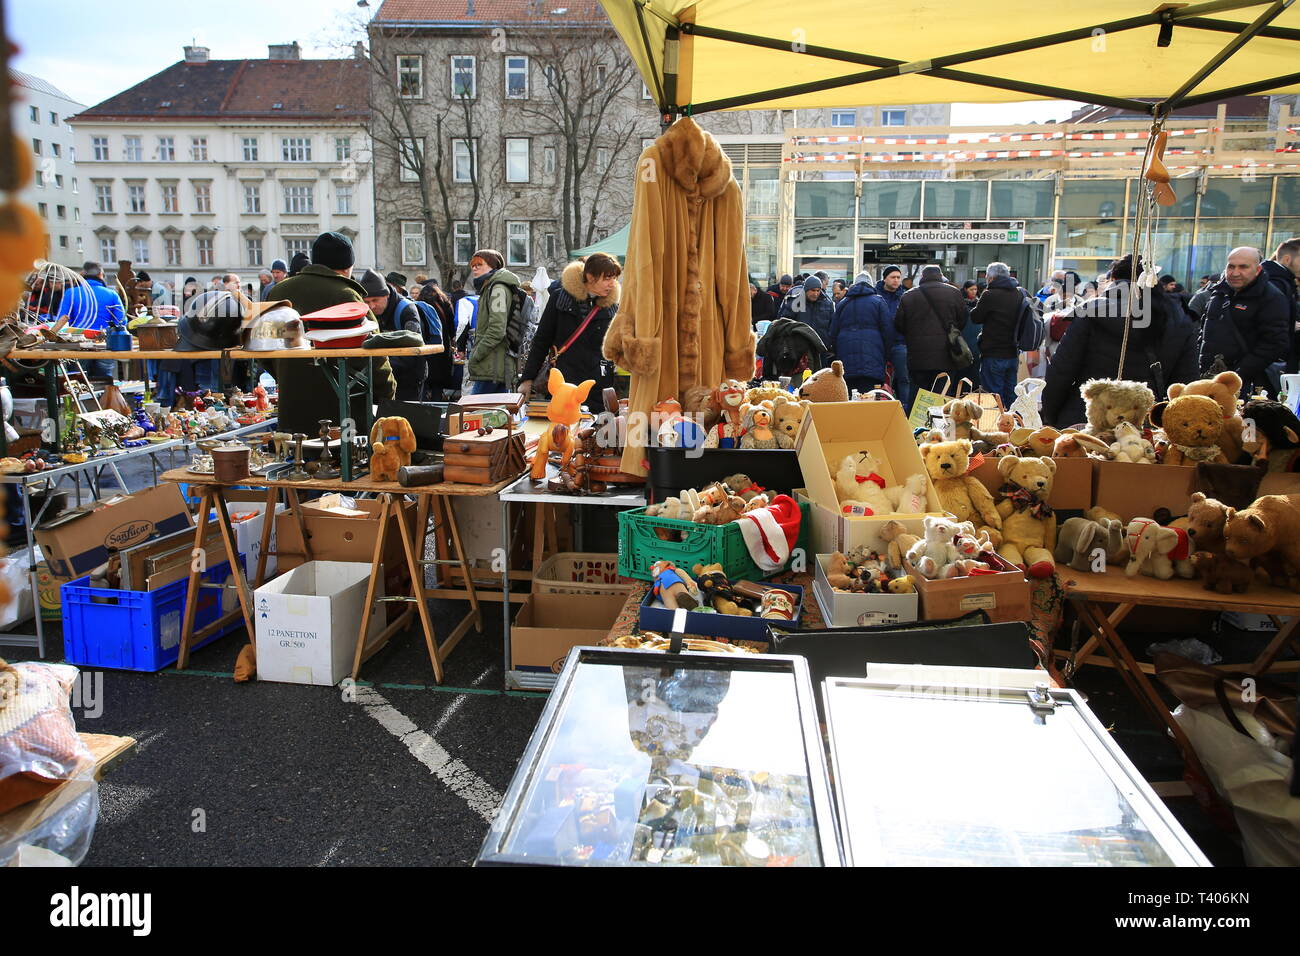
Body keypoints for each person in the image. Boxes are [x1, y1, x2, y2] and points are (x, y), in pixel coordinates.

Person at [1042, 254, 1198, 427]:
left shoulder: (1091, 311)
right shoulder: (1180, 318)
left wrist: (1051, 416)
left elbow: (1061, 371)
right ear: (1154, 280)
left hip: (1087, 418)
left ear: (1113, 279)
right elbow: (1187, 382)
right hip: (1145, 422)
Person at [266, 231, 396, 434]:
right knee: (342, 463)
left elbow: (263, 347)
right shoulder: (346, 295)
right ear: (347, 266)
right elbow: (374, 352)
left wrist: (287, 374)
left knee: (295, 460)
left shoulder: (277, 293)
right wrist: (387, 393)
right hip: (342, 416)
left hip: (292, 407)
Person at [519, 253, 621, 401]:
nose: (612, 284)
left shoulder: (611, 306)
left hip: (598, 385)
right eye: (607, 278)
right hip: (564, 382)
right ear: (590, 277)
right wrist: (527, 379)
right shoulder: (560, 299)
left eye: (614, 278)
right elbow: (542, 340)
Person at [1198, 246, 1292, 397]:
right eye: (1231, 266)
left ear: (1258, 269)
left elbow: (1275, 343)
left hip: (1246, 385)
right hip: (1209, 379)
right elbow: (1205, 331)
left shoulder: (1272, 297)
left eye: (1243, 267)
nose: (1235, 272)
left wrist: (1238, 374)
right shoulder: (1218, 293)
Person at [893, 264, 970, 405]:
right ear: (940, 276)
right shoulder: (954, 293)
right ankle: (940, 425)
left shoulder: (908, 296)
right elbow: (962, 320)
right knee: (943, 395)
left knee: (917, 396)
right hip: (946, 356)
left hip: (918, 358)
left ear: (922, 277)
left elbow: (899, 325)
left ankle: (916, 425)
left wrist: (913, 335)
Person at [970, 262, 1032, 409]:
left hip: (993, 353)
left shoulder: (990, 294)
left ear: (991, 278)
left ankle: (997, 427)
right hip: (1013, 353)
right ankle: (1013, 426)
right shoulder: (1020, 293)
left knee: (993, 396)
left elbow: (975, 317)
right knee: (1011, 393)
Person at [359, 268, 426, 401]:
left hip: (409, 378)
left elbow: (412, 347)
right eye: (366, 302)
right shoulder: (366, 311)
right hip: (382, 377)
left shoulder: (407, 310)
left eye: (375, 300)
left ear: (387, 295)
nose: (371, 306)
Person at [463, 249, 522, 395]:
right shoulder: (490, 287)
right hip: (494, 365)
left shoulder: (497, 288)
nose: (474, 268)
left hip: (492, 367)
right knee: (494, 413)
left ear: (492, 266)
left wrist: (476, 355)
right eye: (473, 265)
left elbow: (497, 329)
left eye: (479, 264)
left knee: (477, 412)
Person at [830, 270, 889, 395]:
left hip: (846, 359)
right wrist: (886, 354)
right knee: (870, 398)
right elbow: (888, 331)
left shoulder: (842, 304)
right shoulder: (878, 302)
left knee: (850, 397)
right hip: (873, 358)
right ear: (871, 285)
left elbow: (833, 333)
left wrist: (837, 352)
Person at [1262, 237, 1300, 372]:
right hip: (1272, 361)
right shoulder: (1274, 282)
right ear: (1287, 259)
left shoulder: (1284, 281)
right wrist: (1290, 325)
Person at [417, 279, 459, 400]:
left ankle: (422, 406)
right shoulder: (445, 304)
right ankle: (438, 408)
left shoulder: (418, 305)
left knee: (423, 381)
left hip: (424, 346)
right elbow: (452, 327)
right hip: (442, 348)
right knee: (438, 384)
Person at [779, 274, 834, 363]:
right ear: (806, 290)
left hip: (820, 350)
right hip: (799, 350)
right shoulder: (795, 302)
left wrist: (828, 343)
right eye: (813, 290)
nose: (815, 293)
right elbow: (784, 324)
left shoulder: (828, 304)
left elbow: (832, 326)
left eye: (818, 290)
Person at [875, 265, 909, 406]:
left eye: (898, 277)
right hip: (880, 344)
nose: (896, 280)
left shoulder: (905, 296)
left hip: (900, 343)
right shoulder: (875, 295)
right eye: (892, 277)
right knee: (879, 380)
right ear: (885, 279)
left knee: (904, 379)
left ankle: (904, 409)